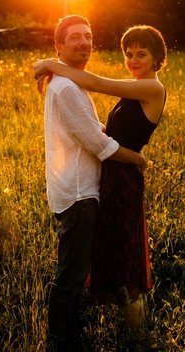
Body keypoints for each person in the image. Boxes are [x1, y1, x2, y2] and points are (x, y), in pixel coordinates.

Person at [34, 24, 167, 345]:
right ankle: (118, 330)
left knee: (125, 256)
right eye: (129, 54)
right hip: (109, 175)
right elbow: (104, 131)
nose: (133, 60)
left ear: (157, 58)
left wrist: (50, 64)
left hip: (122, 178)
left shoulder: (152, 87)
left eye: (141, 54)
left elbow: (94, 82)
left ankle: (139, 336)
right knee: (111, 253)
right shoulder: (134, 87)